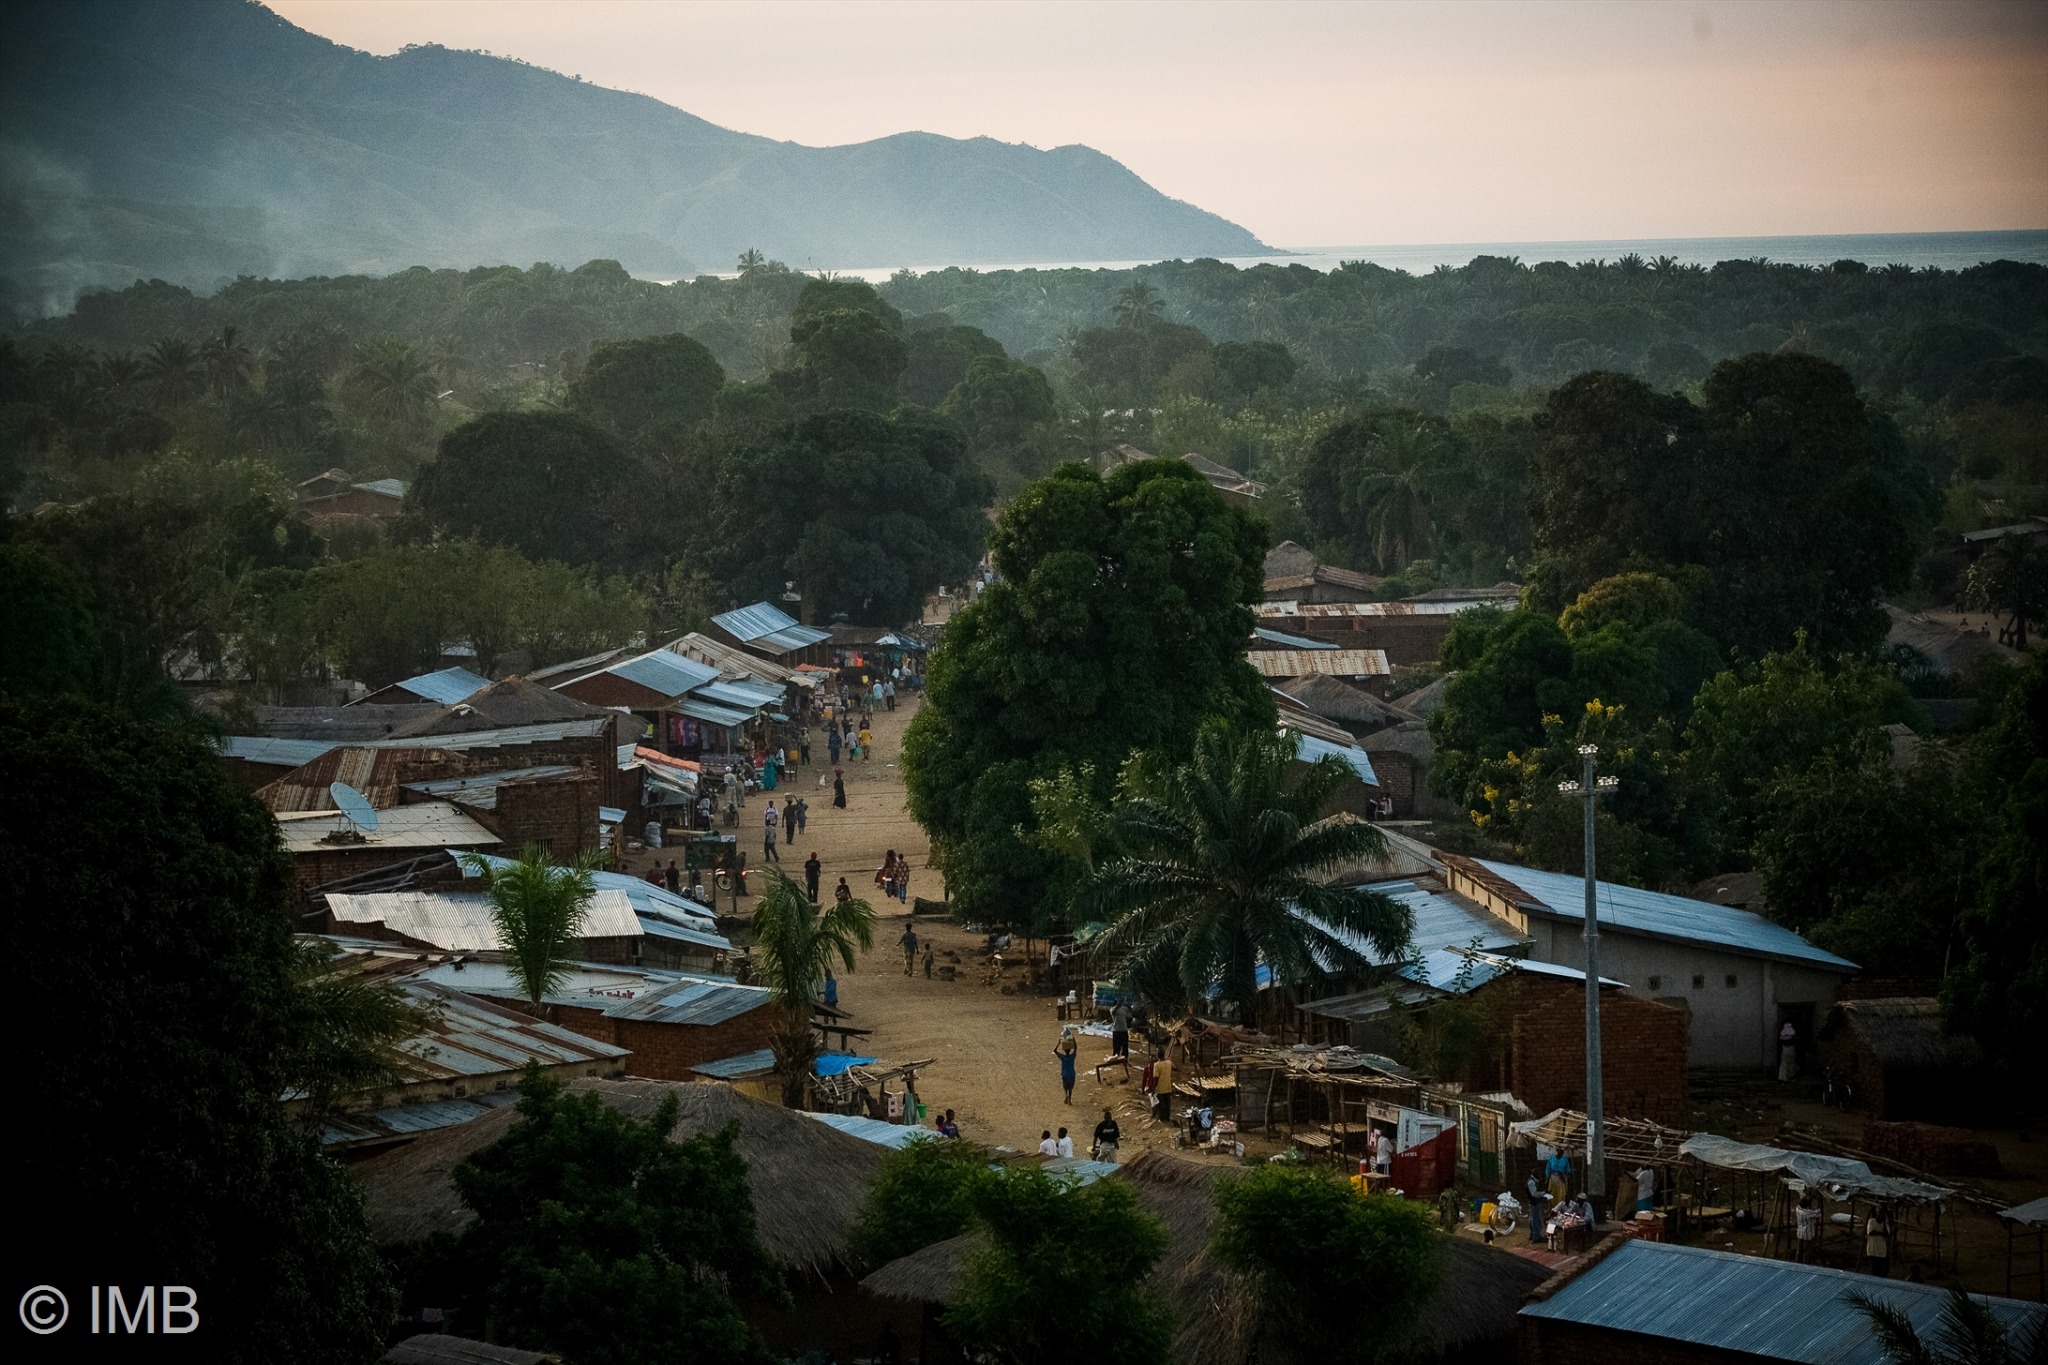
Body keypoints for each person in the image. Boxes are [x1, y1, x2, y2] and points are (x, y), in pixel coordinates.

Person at [1794, 1192, 1822, 1263]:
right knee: (1807, 1251)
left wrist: (1810, 1199)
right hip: (1808, 1234)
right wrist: (1820, 1204)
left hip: (1800, 1233)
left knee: (1799, 1250)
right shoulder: (1806, 1213)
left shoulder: (1798, 1209)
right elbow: (1818, 1213)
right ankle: (1805, 1263)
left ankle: (1798, 1262)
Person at [1866, 1207, 1892, 1278]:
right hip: (1872, 1250)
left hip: (1881, 1251)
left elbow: (1886, 1234)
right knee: (1874, 1269)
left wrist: (1883, 1223)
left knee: (1880, 1270)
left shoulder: (1885, 1225)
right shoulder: (1871, 1221)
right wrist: (1881, 1233)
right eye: (1879, 1214)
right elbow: (1871, 1232)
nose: (1880, 1216)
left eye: (1882, 1214)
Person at [1054, 1028, 1078, 1104]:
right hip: (1071, 1074)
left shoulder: (1063, 1058)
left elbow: (1055, 1051)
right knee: (1070, 1089)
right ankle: (1070, 1100)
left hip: (1065, 1074)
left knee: (1065, 1087)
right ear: (1070, 1050)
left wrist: (1058, 1043)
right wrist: (1073, 1039)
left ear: (1064, 1050)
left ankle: (1066, 1095)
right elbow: (1076, 1048)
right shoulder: (1072, 1057)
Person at [1526, 1174, 1549, 1244]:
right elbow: (1534, 1194)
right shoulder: (1531, 1182)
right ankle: (1536, 1237)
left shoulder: (1532, 1180)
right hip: (1535, 1203)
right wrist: (1544, 1193)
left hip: (1534, 1202)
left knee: (1532, 1218)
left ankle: (1533, 1234)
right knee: (1536, 1219)